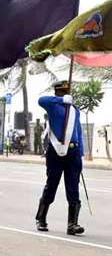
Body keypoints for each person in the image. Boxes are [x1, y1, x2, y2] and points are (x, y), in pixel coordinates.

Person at [34, 80, 85, 235]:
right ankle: (41, 218)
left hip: (73, 153)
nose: (65, 95)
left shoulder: (74, 110)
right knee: (52, 184)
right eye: (62, 92)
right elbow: (40, 100)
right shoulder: (52, 105)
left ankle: (72, 224)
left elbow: (78, 132)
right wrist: (60, 100)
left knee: (73, 188)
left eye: (67, 92)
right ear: (56, 92)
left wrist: (81, 154)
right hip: (56, 152)